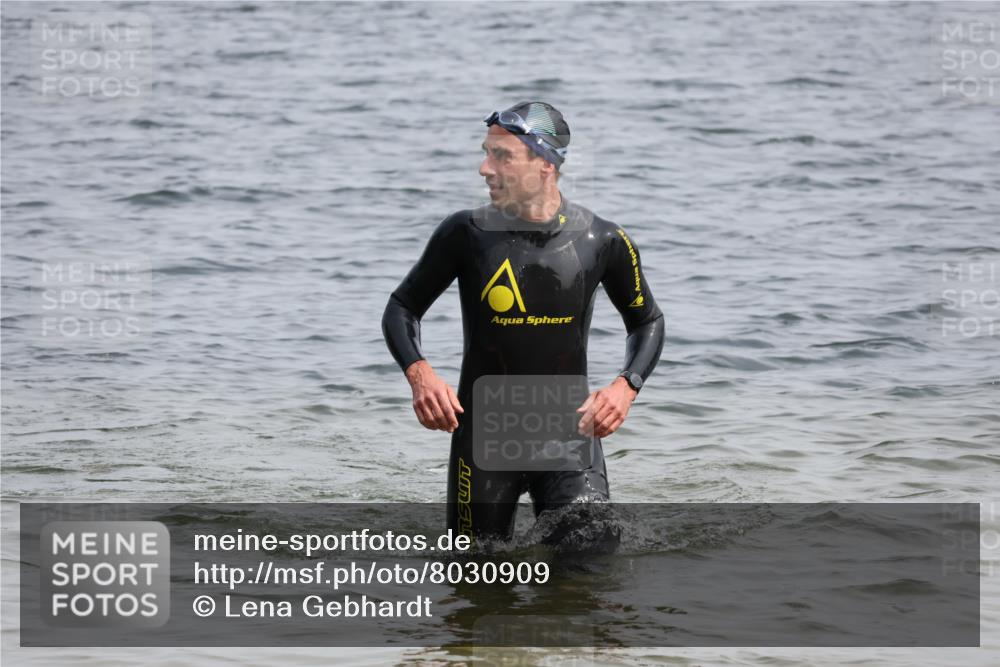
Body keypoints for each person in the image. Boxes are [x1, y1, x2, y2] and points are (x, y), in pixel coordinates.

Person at [382, 101, 664, 547]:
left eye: (501, 156)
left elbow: (646, 321)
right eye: (486, 152)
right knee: (476, 578)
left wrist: (625, 386)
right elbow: (401, 307)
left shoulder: (602, 240)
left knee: (590, 558)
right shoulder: (466, 234)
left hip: (570, 431)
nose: (483, 168)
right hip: (484, 438)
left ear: (545, 165)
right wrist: (420, 375)